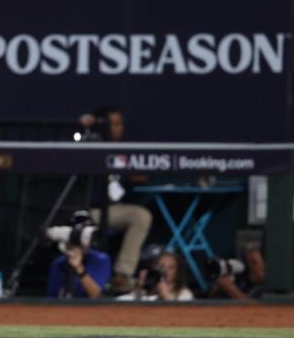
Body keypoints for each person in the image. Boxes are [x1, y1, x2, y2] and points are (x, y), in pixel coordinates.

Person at [80, 107, 153, 294]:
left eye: (119, 124)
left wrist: (132, 175)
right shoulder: (87, 145)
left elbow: (134, 175)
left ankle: (122, 275)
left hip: (113, 208)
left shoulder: (120, 150)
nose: (117, 128)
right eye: (112, 124)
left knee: (141, 215)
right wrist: (85, 128)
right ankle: (120, 275)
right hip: (89, 209)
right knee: (140, 215)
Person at [46, 211, 112, 298]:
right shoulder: (59, 263)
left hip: (91, 310)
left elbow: (97, 296)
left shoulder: (100, 259)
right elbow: (51, 299)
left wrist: (79, 268)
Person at [117, 248, 193, 301]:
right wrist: (139, 288)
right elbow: (121, 301)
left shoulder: (184, 294)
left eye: (171, 267)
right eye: (161, 266)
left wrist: (166, 295)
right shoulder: (145, 293)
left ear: (177, 272)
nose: (165, 270)